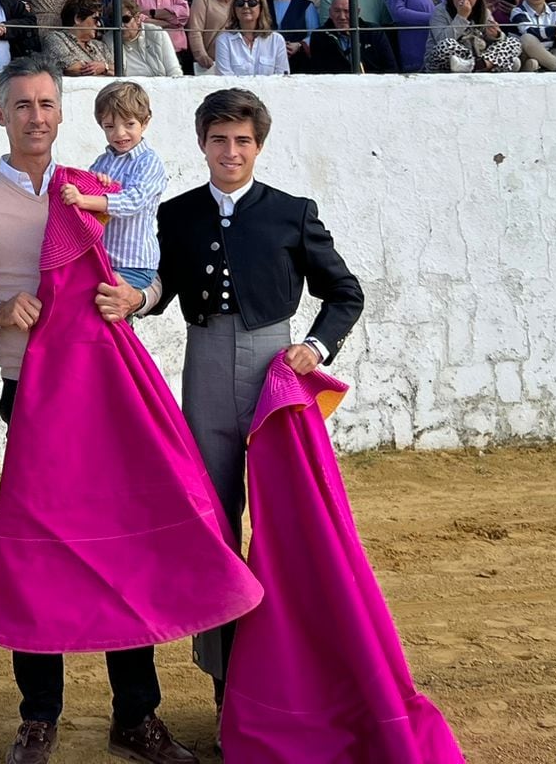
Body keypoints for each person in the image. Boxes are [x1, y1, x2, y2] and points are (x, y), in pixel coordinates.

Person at [0, 59, 192, 764]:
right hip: (34, 396)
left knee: (124, 544)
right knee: (39, 552)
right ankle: (39, 715)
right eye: (22, 105)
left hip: (106, 387)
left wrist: (143, 297)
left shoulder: (100, 186)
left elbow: (152, 261)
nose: (35, 116)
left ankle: (137, 713)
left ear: (61, 113)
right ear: (0, 114)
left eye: (46, 103)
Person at [151, 87, 364, 718]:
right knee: (215, 524)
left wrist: (317, 349)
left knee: (282, 525)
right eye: (219, 139)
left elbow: (344, 293)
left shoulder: (291, 212)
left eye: (243, 140)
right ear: (202, 144)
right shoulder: (178, 214)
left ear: (259, 146)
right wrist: (134, 296)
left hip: (275, 371)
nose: (231, 151)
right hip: (205, 363)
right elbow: (158, 285)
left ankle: (292, 676)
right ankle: (227, 693)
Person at [61, 82, 167, 293]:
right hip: (102, 258)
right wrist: (92, 186)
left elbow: (132, 201)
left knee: (109, 309)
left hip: (134, 263)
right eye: (110, 126)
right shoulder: (102, 162)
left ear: (144, 123)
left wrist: (84, 199)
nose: (120, 133)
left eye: (129, 124)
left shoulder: (149, 162)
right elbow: (86, 206)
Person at [425, 0, 522, 73]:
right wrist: (462, 17)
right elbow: (441, 40)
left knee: (514, 42)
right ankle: (488, 65)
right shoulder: (440, 10)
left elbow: (498, 42)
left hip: (479, 56)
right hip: (446, 61)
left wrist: (496, 35)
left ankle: (480, 65)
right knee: (446, 44)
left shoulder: (484, 12)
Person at [215, 0, 288, 76]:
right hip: (235, 90)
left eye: (252, 3)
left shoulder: (277, 40)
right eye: (240, 3)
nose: (246, 6)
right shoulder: (224, 40)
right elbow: (225, 79)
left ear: (261, 7)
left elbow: (282, 77)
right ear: (234, 8)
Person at [262, 0, 317, 71]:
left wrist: (300, 45)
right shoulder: (262, 6)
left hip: (299, 63)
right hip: (267, 62)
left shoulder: (307, 6)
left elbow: (315, 34)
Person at [188, 0, 241, 74]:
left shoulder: (241, 3)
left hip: (237, 63)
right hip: (210, 63)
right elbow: (195, 30)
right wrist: (201, 55)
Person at [44, 0, 114, 77]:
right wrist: (107, 68)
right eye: (95, 19)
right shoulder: (55, 39)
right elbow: (72, 68)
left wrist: (104, 67)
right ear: (78, 19)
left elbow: (119, 70)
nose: (99, 24)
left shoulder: (100, 46)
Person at [119, 0, 183, 78]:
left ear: (138, 18)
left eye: (125, 19)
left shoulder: (157, 34)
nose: (121, 25)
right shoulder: (109, 40)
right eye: (115, 20)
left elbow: (174, 71)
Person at [301, 0, 358, 74]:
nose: (342, 17)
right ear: (330, 13)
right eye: (337, 11)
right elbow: (319, 69)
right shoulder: (319, 36)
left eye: (347, 11)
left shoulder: (373, 32)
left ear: (357, 12)